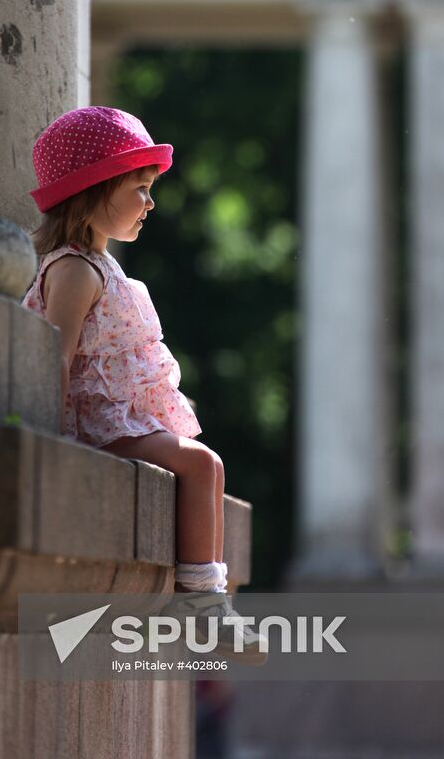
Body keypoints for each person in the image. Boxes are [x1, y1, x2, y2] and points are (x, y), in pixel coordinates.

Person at [23, 106, 266, 664]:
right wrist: (55, 434)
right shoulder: (75, 270)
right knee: (202, 464)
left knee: (202, 463)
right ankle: (202, 602)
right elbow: (53, 357)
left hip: (120, 416)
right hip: (96, 423)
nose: (151, 204)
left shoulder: (103, 269)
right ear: (92, 190)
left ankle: (204, 597)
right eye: (140, 187)